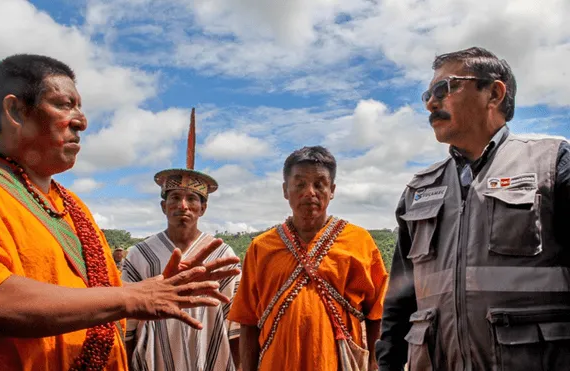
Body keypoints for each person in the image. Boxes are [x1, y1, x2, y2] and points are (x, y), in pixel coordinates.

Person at [0, 54, 240, 371]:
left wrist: (144, 295)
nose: (82, 121)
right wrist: (134, 297)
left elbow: (104, 305)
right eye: (65, 105)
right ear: (16, 111)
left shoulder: (74, 206)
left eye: (79, 107)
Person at [376, 47, 570, 371]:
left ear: (494, 93)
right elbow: (399, 304)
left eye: (445, 88)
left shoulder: (553, 165)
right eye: (428, 93)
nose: (430, 102)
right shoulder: (418, 190)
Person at [229, 145, 388, 371]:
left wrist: (374, 364)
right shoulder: (261, 247)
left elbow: (377, 314)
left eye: (319, 184)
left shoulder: (359, 241)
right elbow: (248, 321)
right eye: (300, 184)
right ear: (286, 190)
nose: (310, 192)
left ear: (332, 190)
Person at [122, 108, 242, 371]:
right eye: (175, 198)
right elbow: (128, 324)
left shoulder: (221, 254)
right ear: (163, 207)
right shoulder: (140, 255)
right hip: (154, 360)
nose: (183, 206)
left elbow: (234, 322)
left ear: (203, 208)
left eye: (192, 199)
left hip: (210, 357)